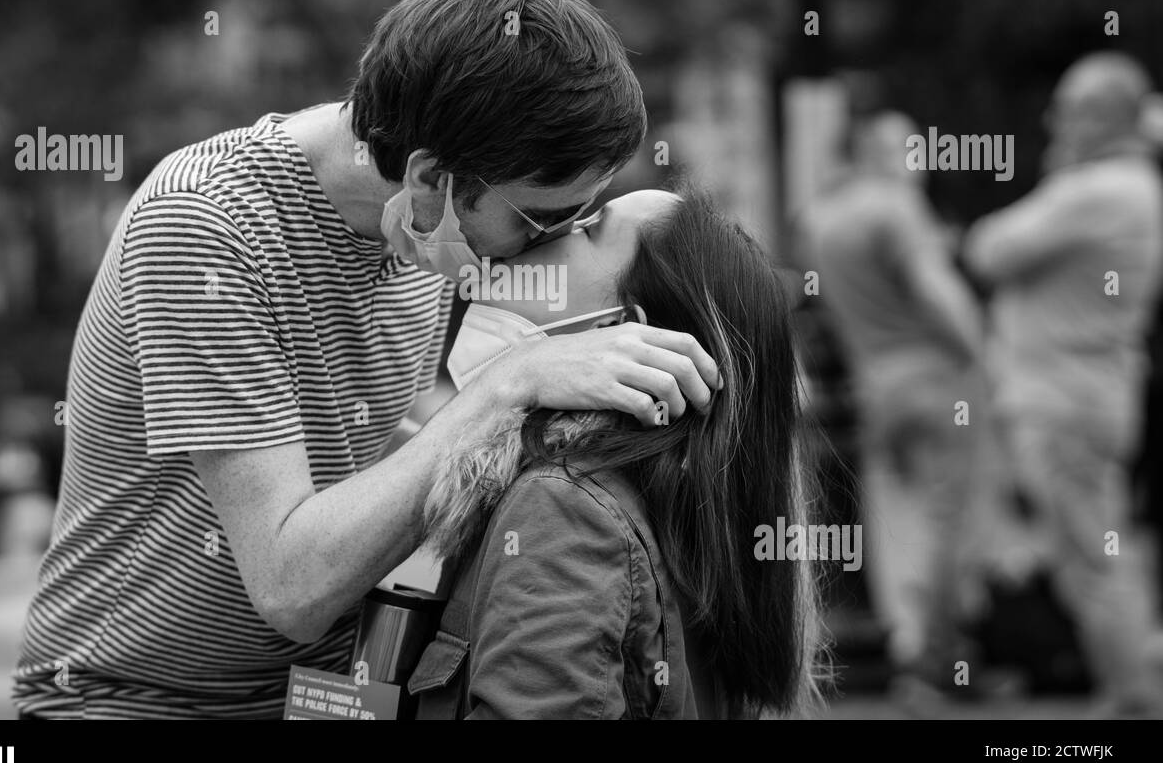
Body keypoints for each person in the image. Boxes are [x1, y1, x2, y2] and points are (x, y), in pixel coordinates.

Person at [11, 0, 721, 719]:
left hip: (323, 697)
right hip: (138, 702)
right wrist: (506, 390)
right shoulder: (210, 227)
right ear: (430, 179)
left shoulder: (415, 238)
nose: (542, 246)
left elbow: (368, 467)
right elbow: (291, 584)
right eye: (535, 218)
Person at [409, 189, 830, 719]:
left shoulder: (564, 508)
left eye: (586, 228)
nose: (546, 233)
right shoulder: (661, 499)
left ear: (627, 334)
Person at [963, 51, 1163, 716]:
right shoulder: (1132, 186)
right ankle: (1127, 688)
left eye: (1065, 109)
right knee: (1094, 547)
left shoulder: (1098, 189)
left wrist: (1059, 173)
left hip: (1065, 399)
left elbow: (987, 248)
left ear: (1097, 117)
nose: (1053, 122)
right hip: (1090, 393)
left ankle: (1130, 698)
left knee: (1092, 556)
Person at [803, 111, 987, 704]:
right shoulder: (895, 207)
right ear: (875, 151)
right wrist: (981, 352)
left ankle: (911, 651)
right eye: (909, 148)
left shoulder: (821, 218)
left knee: (895, 526)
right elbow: (939, 296)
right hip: (938, 379)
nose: (920, 161)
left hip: (877, 384)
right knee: (945, 521)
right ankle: (937, 665)